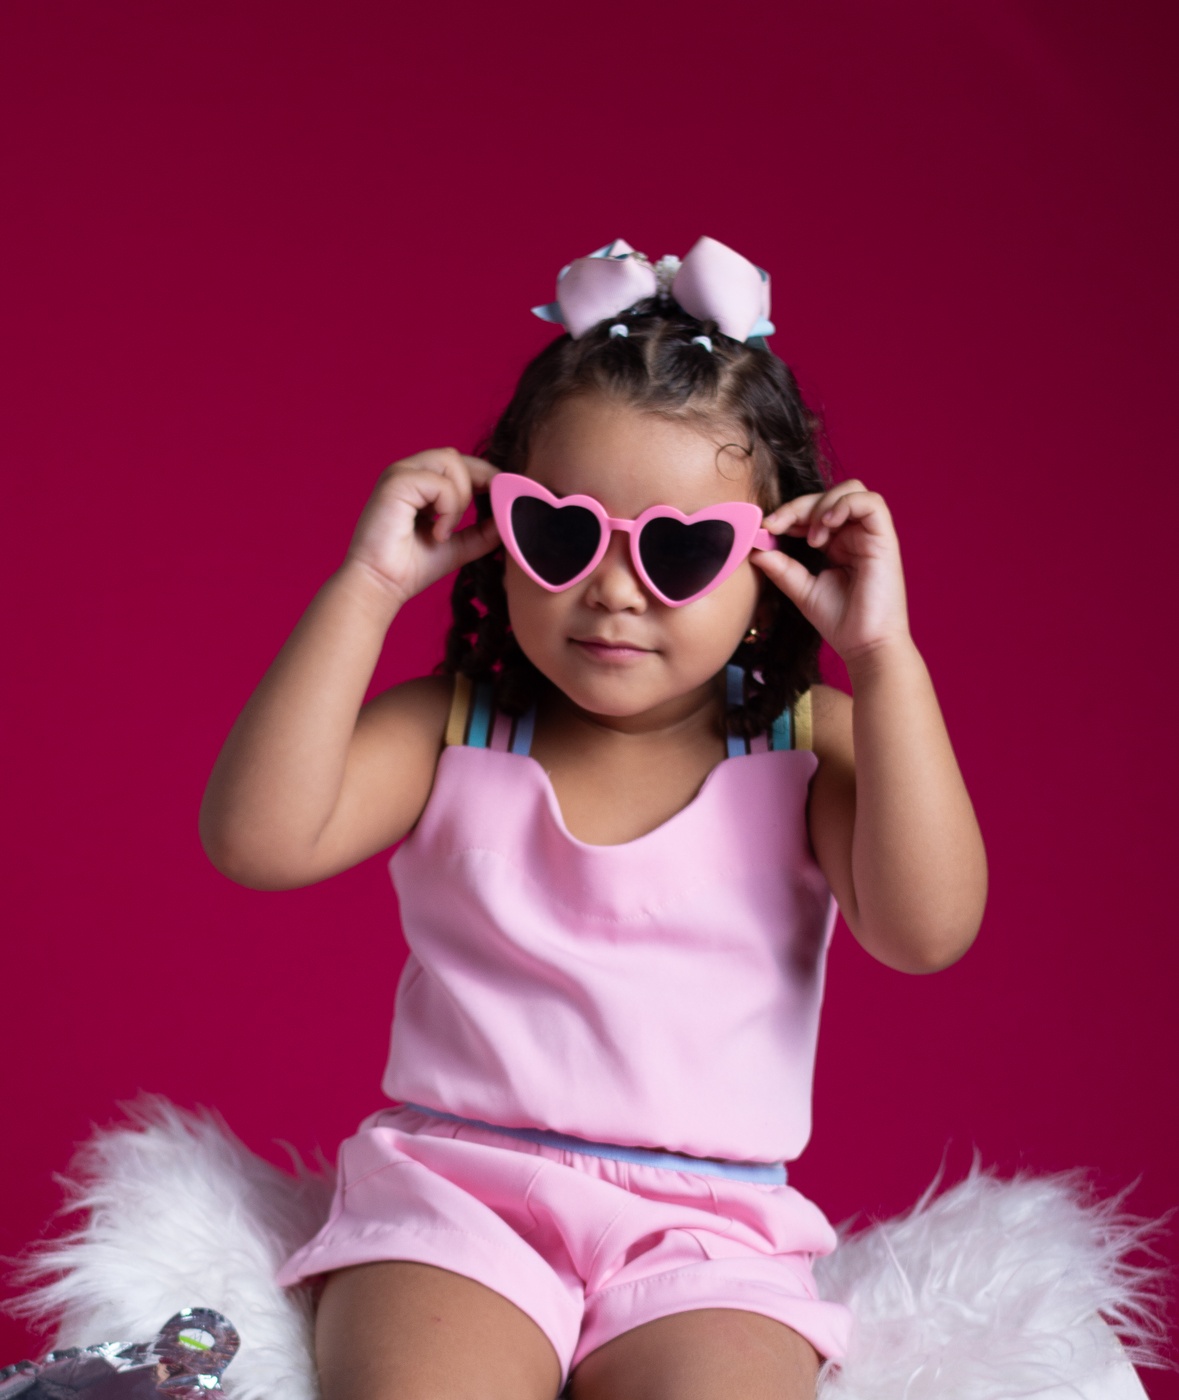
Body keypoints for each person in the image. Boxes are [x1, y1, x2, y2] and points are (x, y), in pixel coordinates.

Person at [199, 237, 987, 1400]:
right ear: (499, 528)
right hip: (456, 1198)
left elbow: (926, 929)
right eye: (563, 534)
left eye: (681, 550)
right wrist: (367, 588)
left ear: (774, 562)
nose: (613, 587)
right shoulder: (456, 726)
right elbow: (255, 838)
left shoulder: (809, 742)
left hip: (713, 1229)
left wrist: (884, 653)